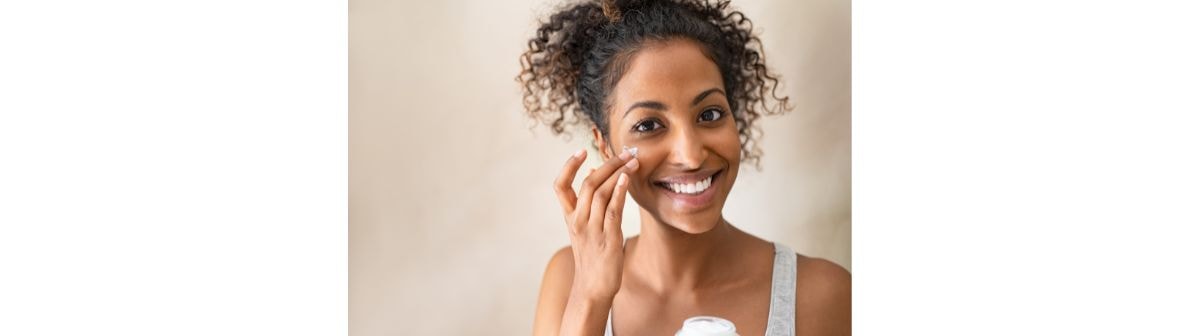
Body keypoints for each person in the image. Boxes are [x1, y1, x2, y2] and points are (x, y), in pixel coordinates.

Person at [518, 0, 850, 335]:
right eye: (648, 125)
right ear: (605, 145)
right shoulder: (568, 280)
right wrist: (590, 298)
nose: (691, 156)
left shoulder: (821, 295)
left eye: (709, 114)